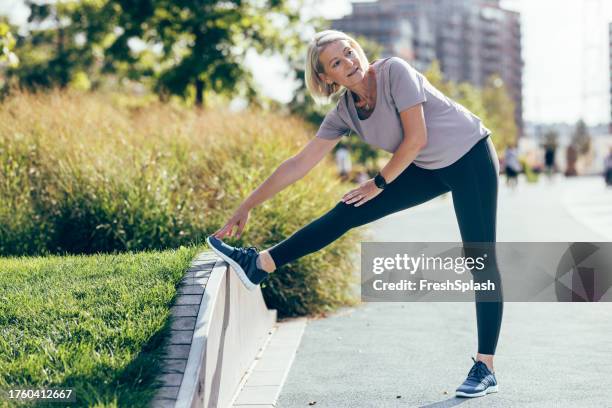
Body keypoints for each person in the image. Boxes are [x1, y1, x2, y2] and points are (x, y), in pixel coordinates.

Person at [207, 30, 502, 399]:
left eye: (349, 53)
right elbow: (300, 163)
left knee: (480, 259)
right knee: (347, 209)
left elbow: (416, 138)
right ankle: (261, 264)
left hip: (470, 155)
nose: (349, 63)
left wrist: (378, 182)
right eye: (336, 63)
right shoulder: (345, 111)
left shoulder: (395, 72)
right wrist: (246, 205)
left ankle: (485, 366)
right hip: (426, 166)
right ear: (326, 78)